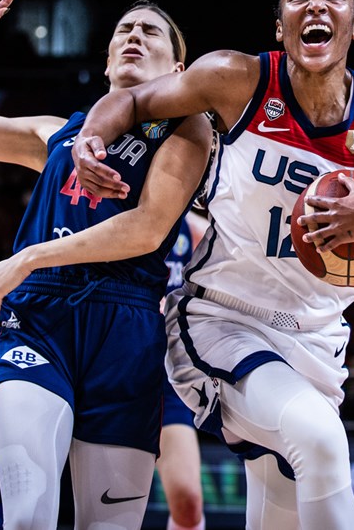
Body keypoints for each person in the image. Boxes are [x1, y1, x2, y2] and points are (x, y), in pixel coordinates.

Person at [72, 0, 354, 529]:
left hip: (318, 341)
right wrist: (89, 140)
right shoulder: (235, 79)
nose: (315, 6)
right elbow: (133, 101)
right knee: (321, 444)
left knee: (282, 505)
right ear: (280, 25)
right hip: (223, 320)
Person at [0, 0, 212, 530]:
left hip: (128, 329)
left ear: (177, 71)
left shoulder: (187, 131)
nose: (133, 36)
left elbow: (146, 230)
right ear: (104, 63)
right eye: (123, 30)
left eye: (150, 32)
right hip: (40, 319)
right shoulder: (57, 134)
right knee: (27, 519)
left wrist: (28, 257)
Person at [159, 208, 210, 530]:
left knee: (187, 503)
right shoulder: (112, 202)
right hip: (111, 362)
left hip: (166, 372)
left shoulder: (193, 226)